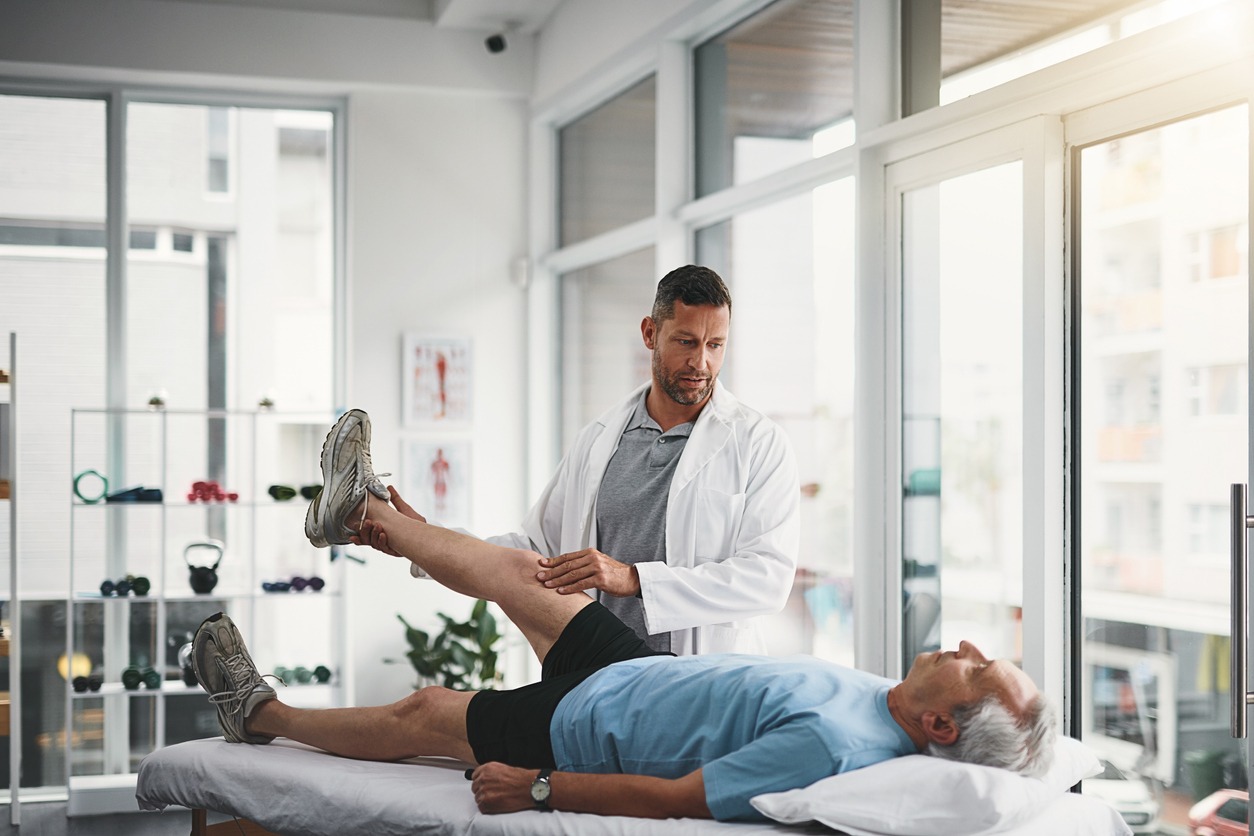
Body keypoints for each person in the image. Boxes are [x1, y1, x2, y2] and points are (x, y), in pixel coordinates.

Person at [199, 410, 1057, 823]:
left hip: (590, 727)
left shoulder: (839, 748)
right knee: (523, 571)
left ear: (943, 724)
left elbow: (686, 797)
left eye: (980, 668)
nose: (970, 646)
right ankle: (365, 515)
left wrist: (540, 786)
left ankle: (259, 714)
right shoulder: (877, 696)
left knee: (426, 711)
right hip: (636, 673)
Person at [368, 264, 800, 655]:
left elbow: (766, 579)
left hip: (700, 679)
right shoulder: (598, 440)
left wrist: (633, 579)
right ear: (650, 333)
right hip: (600, 671)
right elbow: (535, 552)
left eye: (715, 344)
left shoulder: (758, 443)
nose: (701, 361)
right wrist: (425, 543)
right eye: (685, 341)